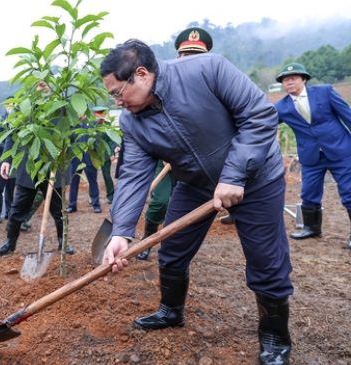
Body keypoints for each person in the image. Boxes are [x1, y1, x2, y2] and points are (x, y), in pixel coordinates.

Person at [100, 40, 293, 365]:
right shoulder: (130, 121)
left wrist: (234, 175)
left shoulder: (208, 70)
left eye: (119, 93)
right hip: (196, 184)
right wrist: (121, 232)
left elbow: (259, 116)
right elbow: (133, 174)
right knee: (172, 250)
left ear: (142, 74)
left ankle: (275, 338)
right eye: (112, 97)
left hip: (257, 176)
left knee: (265, 260)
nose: (118, 101)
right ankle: (171, 311)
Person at [136, 26, 213, 261]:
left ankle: (176, 248)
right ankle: (148, 239)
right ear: (177, 57)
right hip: (164, 158)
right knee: (159, 201)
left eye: (196, 57)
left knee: (181, 206)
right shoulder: (164, 84)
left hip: (197, 163)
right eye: (185, 56)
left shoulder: (214, 85)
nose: (189, 61)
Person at [274, 63, 351, 248]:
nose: (289, 82)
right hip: (310, 156)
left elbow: (347, 115)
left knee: (349, 191)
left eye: (293, 78)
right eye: (285, 80)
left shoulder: (324, 92)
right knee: (309, 192)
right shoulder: (281, 106)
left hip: (340, 149)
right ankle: (311, 228)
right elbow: (265, 125)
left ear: (304, 79)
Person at [0, 80, 74, 256]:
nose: (42, 86)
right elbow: (12, 134)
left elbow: (73, 129)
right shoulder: (23, 106)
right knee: (17, 208)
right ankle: (10, 242)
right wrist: (7, 159)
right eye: (38, 84)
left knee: (59, 210)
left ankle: (63, 243)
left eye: (45, 82)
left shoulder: (62, 106)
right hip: (29, 167)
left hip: (55, 165)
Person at [66, 116, 102, 214]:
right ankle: (72, 205)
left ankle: (96, 205)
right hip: (76, 157)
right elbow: (69, 140)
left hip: (89, 157)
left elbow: (97, 141)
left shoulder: (93, 123)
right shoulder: (73, 125)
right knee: (73, 181)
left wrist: (95, 155)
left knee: (92, 181)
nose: (77, 114)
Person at [0, 101, 17, 224]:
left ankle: (9, 213)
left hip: (14, 161)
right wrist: (9, 151)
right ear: (6, 106)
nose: (11, 107)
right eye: (10, 104)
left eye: (14, 105)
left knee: (10, 188)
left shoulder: (18, 122)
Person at [92, 107, 116, 204]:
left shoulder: (108, 126)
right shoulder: (93, 126)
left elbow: (111, 140)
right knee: (92, 177)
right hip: (94, 155)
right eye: (99, 115)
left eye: (103, 115)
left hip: (105, 154)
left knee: (107, 176)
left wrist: (112, 153)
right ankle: (92, 196)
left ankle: (111, 195)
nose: (101, 118)